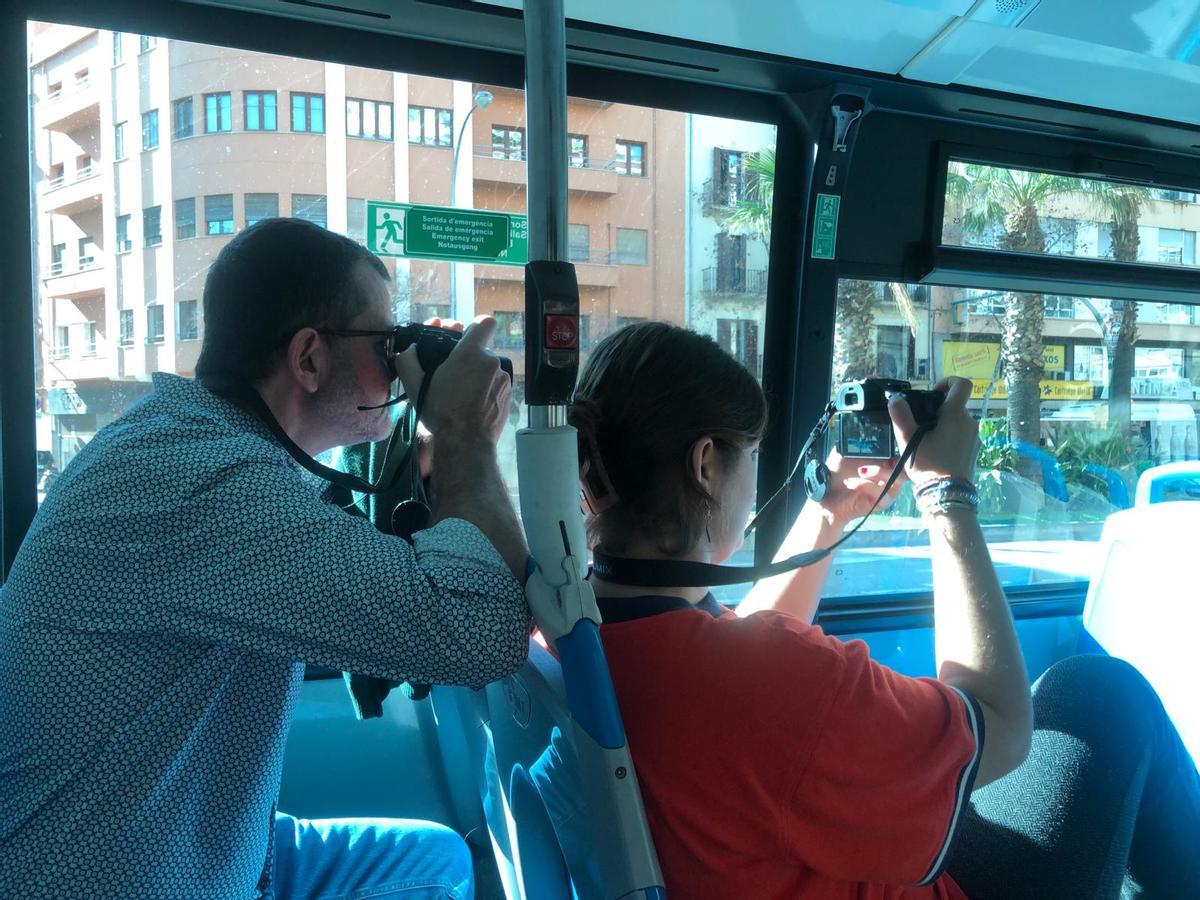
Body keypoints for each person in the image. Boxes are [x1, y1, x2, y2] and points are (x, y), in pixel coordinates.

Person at [567, 321, 1199, 900]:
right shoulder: (770, 686)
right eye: (751, 457)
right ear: (705, 464)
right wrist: (947, 494)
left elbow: (732, 650)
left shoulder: (574, 630)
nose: (754, 478)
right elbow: (1002, 728)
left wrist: (828, 512)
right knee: (1101, 691)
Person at [0, 218, 531, 899]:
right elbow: (479, 634)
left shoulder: (185, 441)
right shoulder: (204, 482)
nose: (397, 363)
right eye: (385, 342)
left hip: (200, 838)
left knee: (432, 863)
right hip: (103, 868)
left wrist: (429, 445)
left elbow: (369, 556)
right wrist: (463, 431)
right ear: (308, 357)